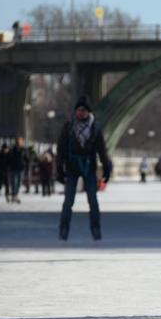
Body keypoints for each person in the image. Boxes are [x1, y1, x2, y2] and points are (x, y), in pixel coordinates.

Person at [56, 96, 112, 241]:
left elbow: (102, 149)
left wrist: (106, 167)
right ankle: (64, 228)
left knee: (93, 200)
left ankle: (95, 228)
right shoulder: (68, 127)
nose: (80, 113)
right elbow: (61, 149)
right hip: (72, 166)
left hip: (89, 167)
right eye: (78, 110)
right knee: (68, 200)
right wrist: (59, 169)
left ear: (88, 112)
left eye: (83, 110)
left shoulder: (95, 128)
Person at [8, 137, 28, 203]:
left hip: (21, 168)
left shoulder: (24, 150)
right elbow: (9, 158)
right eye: (18, 141)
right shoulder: (12, 149)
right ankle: (14, 195)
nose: (19, 143)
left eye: (20, 141)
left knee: (19, 183)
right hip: (13, 168)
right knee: (14, 183)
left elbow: (26, 158)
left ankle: (16, 195)